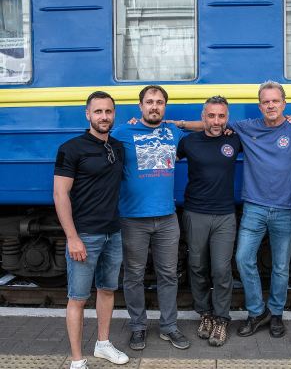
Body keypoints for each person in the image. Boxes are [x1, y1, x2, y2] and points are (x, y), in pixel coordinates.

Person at [173, 81, 291, 338]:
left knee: (280, 266)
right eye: (266, 102)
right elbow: (212, 126)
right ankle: (257, 312)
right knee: (243, 259)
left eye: (275, 101)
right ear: (260, 105)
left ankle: (275, 313)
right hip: (254, 207)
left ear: (284, 103)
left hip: (285, 210)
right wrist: (175, 124)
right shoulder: (246, 127)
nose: (271, 106)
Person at [53, 91, 129, 369]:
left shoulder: (117, 147)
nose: (104, 116)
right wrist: (72, 237)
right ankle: (76, 360)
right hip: (85, 235)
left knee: (107, 290)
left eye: (108, 111)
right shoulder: (71, 148)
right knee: (78, 298)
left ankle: (103, 344)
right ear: (88, 114)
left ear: (114, 114)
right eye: (98, 112)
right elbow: (60, 195)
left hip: (113, 232)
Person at [112, 85, 190, 351]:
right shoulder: (122, 132)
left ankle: (169, 327)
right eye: (149, 102)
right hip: (133, 218)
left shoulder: (173, 131)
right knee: (133, 275)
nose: (154, 106)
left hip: (167, 218)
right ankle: (138, 327)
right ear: (140, 106)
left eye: (159, 102)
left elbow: (208, 125)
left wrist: (177, 122)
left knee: (168, 274)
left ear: (164, 107)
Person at [177, 96, 242, 347]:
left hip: (225, 215)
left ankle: (221, 318)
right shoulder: (188, 142)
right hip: (195, 213)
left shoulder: (234, 139)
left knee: (221, 270)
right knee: (197, 267)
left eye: (221, 116)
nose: (216, 121)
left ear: (227, 118)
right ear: (203, 117)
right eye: (211, 116)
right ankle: (205, 314)